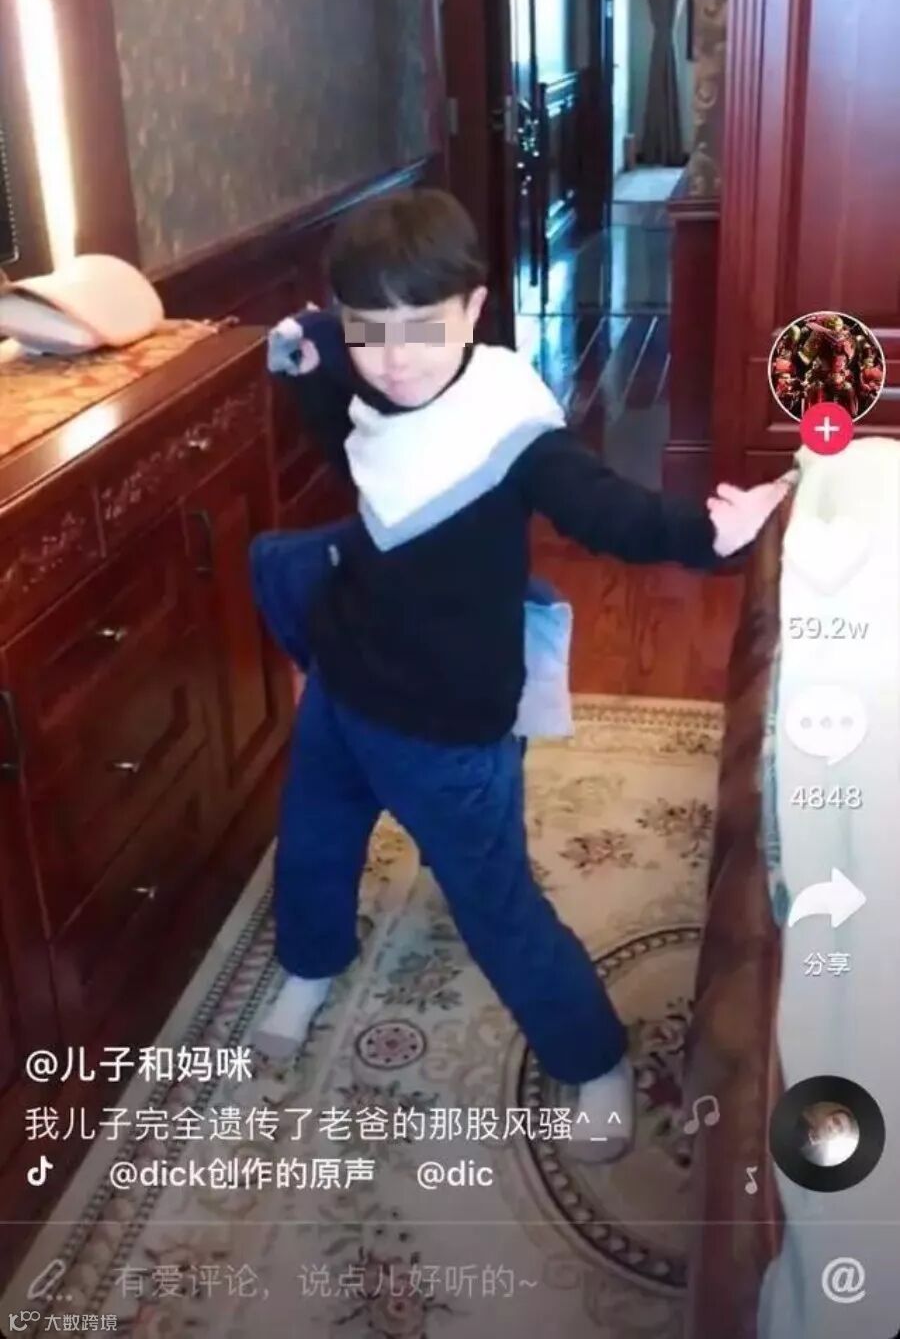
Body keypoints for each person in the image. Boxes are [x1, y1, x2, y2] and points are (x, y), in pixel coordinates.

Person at [255, 188, 788, 1162]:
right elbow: (347, 427)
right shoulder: (367, 370)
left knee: (496, 906)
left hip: (448, 726)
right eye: (370, 332)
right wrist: (308, 364)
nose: (395, 358)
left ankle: (594, 1058)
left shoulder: (511, 427)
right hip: (342, 684)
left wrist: (711, 533)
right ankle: (310, 962)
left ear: (473, 309)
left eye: (422, 328)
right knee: (314, 843)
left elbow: (608, 510)